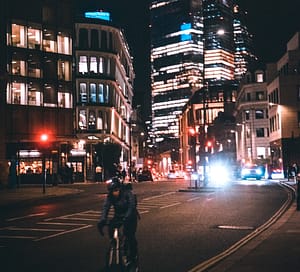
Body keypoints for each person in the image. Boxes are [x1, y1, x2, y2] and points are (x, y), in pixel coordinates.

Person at [97, 177, 139, 264]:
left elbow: (131, 206)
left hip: (130, 216)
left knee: (129, 234)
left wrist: (127, 217)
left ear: (120, 188)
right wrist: (103, 219)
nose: (114, 193)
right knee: (111, 227)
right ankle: (115, 242)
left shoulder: (127, 193)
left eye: (116, 190)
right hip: (119, 216)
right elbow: (106, 207)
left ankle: (133, 255)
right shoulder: (110, 196)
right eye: (112, 191)